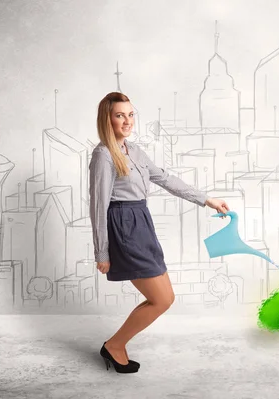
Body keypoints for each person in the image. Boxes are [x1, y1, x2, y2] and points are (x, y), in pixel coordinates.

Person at [89, 92, 230, 373]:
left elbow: (165, 179)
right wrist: (102, 251)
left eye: (130, 114)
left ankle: (115, 344)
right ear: (107, 119)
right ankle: (115, 345)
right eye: (120, 115)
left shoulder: (135, 151)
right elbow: (98, 205)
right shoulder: (103, 154)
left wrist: (207, 199)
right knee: (162, 299)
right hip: (124, 227)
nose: (127, 120)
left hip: (142, 223)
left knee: (164, 298)